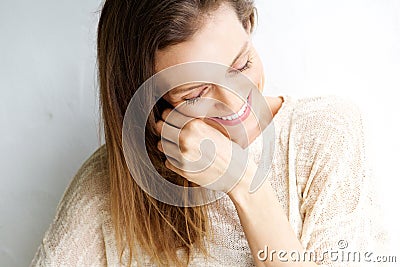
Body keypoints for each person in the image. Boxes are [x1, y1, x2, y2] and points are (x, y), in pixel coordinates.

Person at [30, 0, 388, 266]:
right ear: (153, 103)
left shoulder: (327, 133)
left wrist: (245, 185)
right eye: (196, 93)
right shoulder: (108, 182)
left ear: (248, 27)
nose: (235, 102)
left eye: (241, 64)